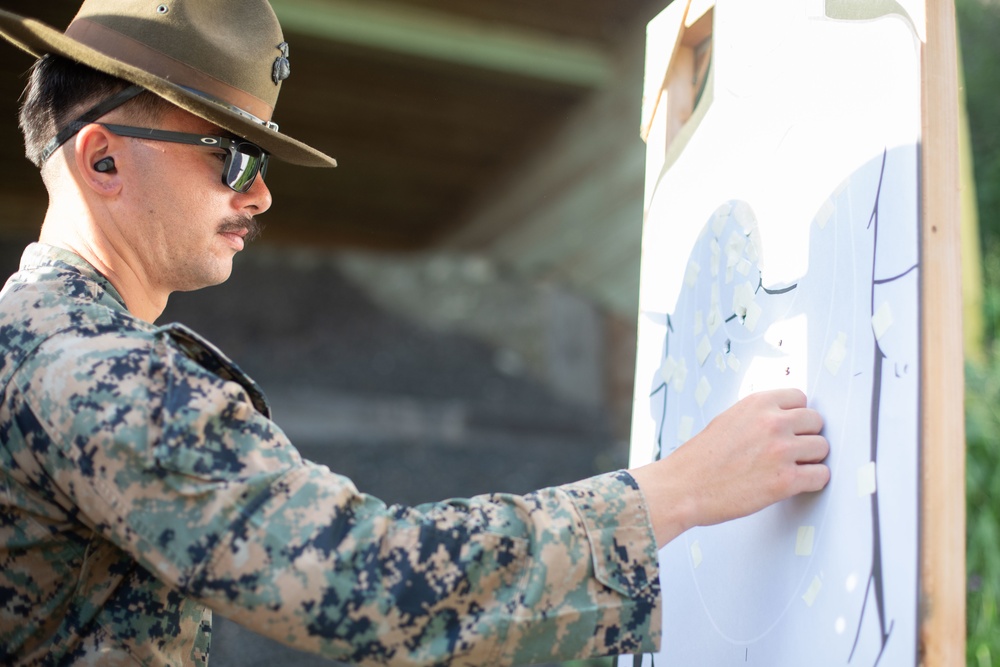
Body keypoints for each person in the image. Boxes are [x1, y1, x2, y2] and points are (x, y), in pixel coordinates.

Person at [0, 1, 830, 665]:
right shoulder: (94, 373)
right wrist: (674, 492)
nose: (258, 198)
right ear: (102, 160)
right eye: (234, 157)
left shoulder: (30, 344)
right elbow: (365, 582)